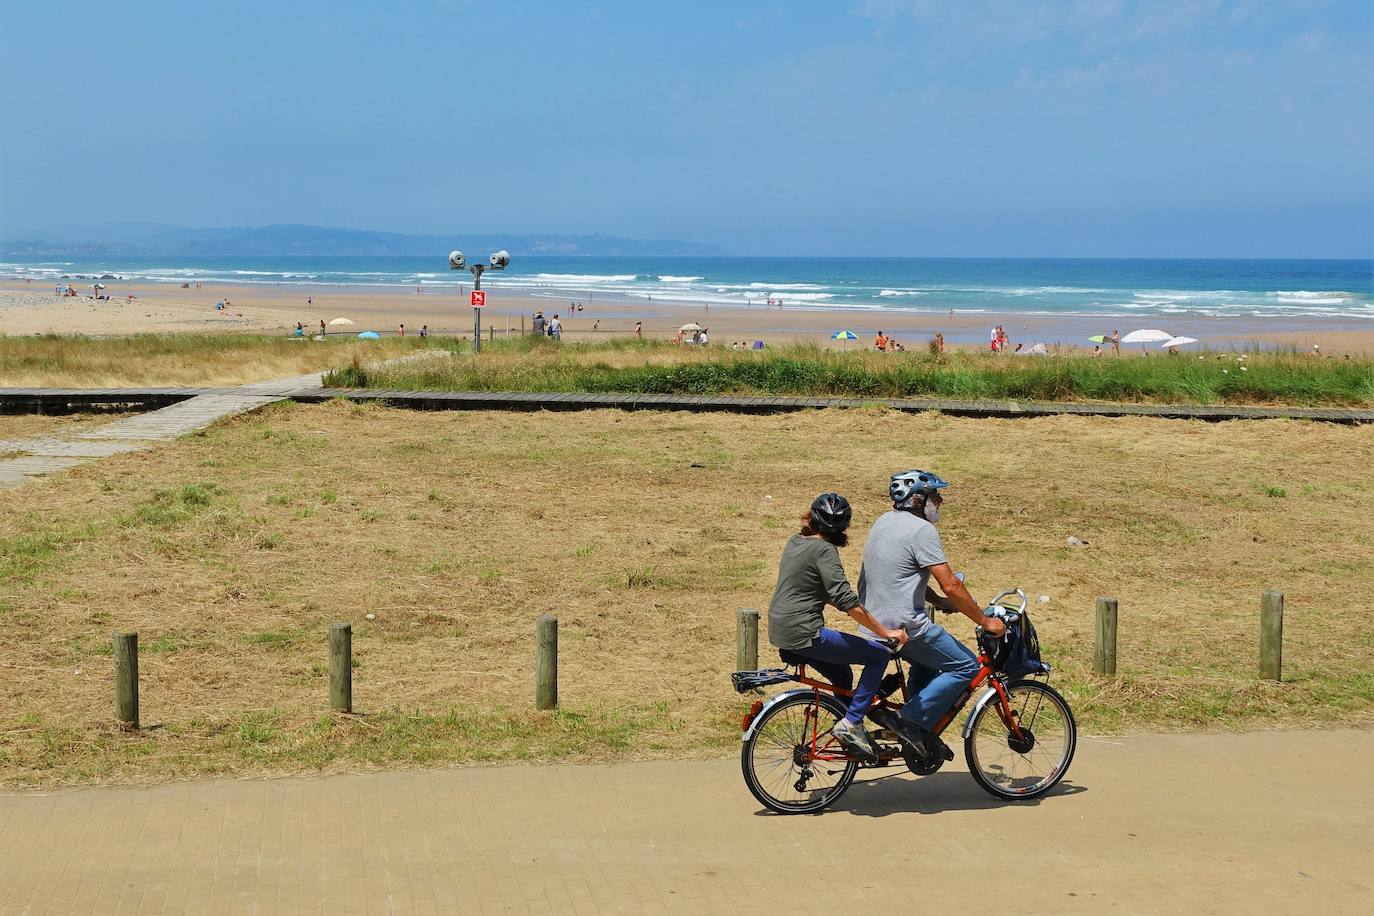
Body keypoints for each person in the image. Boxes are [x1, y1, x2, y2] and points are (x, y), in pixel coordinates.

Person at [857, 469, 1005, 760]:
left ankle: (918, 737)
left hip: (873, 624)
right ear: (917, 500)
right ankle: (907, 722)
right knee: (966, 667)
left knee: (925, 667)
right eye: (935, 496)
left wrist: (935, 601)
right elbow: (951, 583)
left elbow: (899, 575)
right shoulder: (922, 530)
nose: (939, 501)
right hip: (904, 629)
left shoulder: (883, 522)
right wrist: (985, 621)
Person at [768, 493, 909, 762]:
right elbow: (845, 599)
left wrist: (867, 616)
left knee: (842, 677)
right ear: (844, 528)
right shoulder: (825, 550)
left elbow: (815, 589)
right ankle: (852, 723)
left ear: (810, 517)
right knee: (878, 655)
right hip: (806, 633)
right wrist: (885, 632)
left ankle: (847, 737)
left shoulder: (796, 541)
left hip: (781, 631)